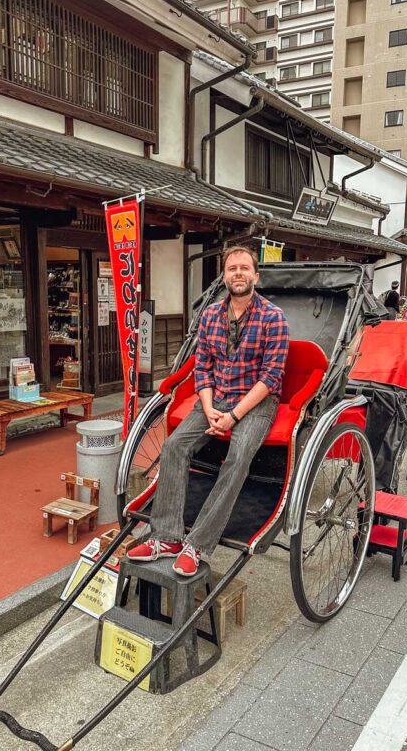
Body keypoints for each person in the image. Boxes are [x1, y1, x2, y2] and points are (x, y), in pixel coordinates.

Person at [127, 246, 289, 577]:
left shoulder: (273, 318)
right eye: (232, 269)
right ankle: (166, 536)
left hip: (257, 402)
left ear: (255, 277)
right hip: (215, 398)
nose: (238, 274)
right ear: (225, 276)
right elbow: (202, 368)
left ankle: (198, 544)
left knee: (238, 456)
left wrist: (232, 417)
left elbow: (270, 378)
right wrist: (210, 408)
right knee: (173, 446)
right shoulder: (211, 315)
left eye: (245, 268)